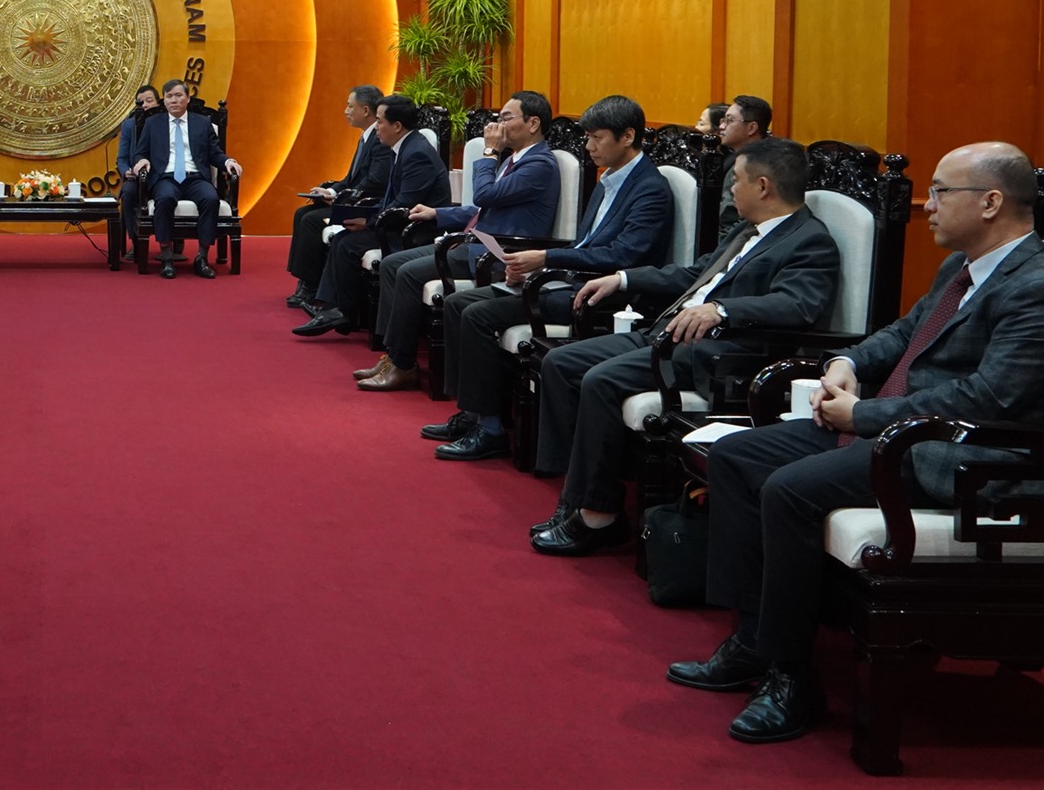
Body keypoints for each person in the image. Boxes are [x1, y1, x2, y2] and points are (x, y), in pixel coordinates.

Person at [668, 143, 1044, 744]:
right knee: (736, 456)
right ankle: (753, 640)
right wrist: (844, 362)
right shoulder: (963, 266)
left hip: (965, 456)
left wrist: (864, 414)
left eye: (942, 192)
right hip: (902, 431)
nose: (929, 206)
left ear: (991, 202)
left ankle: (792, 679)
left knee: (790, 490)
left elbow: (988, 400)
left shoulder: (1034, 284)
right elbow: (903, 333)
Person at [529, 136, 839, 557]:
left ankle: (598, 515)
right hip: (666, 333)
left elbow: (799, 304)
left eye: (737, 181)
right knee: (561, 361)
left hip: (715, 353)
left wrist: (722, 310)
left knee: (601, 381)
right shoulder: (747, 231)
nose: (732, 190)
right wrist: (622, 279)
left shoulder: (810, 240)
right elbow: (695, 275)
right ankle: (574, 493)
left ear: (763, 186)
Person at [427, 95, 674, 462]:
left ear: (627, 136)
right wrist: (535, 267)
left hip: (601, 295)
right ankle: (473, 413)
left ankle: (490, 429)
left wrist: (545, 259)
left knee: (478, 315)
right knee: (458, 302)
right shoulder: (610, 179)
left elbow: (622, 256)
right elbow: (585, 243)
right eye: (587, 137)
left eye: (597, 138)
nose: (588, 147)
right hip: (569, 279)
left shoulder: (650, 189)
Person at [352, 92, 561, 392]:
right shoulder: (516, 159)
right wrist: (438, 213)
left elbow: (485, 196)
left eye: (506, 118)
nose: (497, 125)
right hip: (477, 242)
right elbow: (485, 208)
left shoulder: (539, 164)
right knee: (392, 263)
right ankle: (394, 355)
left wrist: (490, 152)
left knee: (407, 273)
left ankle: (403, 365)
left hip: (498, 251)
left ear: (533, 123)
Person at [292, 94, 450, 337]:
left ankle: (341, 311)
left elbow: (404, 205)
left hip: (415, 231)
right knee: (343, 238)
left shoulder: (417, 154)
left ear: (397, 126)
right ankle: (334, 308)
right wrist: (364, 216)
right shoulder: (404, 146)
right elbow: (391, 200)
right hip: (398, 222)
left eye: (380, 121)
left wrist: (368, 221)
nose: (376, 127)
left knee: (348, 244)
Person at [286, 85, 391, 306]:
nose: (346, 111)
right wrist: (332, 191)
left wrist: (342, 196)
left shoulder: (380, 139)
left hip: (364, 205)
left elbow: (375, 181)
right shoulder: (365, 137)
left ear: (365, 110)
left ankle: (311, 286)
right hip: (351, 197)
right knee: (302, 213)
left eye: (350, 106)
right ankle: (305, 280)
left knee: (311, 220)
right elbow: (351, 177)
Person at [129, 78, 241, 279]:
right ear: (164, 100)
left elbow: (215, 153)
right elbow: (140, 152)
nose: (174, 100)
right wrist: (141, 160)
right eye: (169, 96)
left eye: (178, 95)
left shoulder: (203, 123)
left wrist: (228, 161)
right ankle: (167, 257)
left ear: (188, 98)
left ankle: (202, 257)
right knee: (164, 199)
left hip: (195, 177)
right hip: (166, 177)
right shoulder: (153, 123)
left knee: (211, 199)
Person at [715, 95, 772, 242]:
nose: (721, 126)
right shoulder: (732, 159)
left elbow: (733, 226)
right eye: (723, 120)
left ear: (752, 128)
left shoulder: (763, 166)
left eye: (729, 120)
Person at [115, 85, 161, 263]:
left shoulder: (166, 122)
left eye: (149, 100)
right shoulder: (129, 125)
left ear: (158, 103)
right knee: (128, 193)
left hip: (160, 177)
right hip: (136, 178)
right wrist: (126, 171)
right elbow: (121, 158)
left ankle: (173, 241)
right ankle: (136, 241)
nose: (145, 105)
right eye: (141, 102)